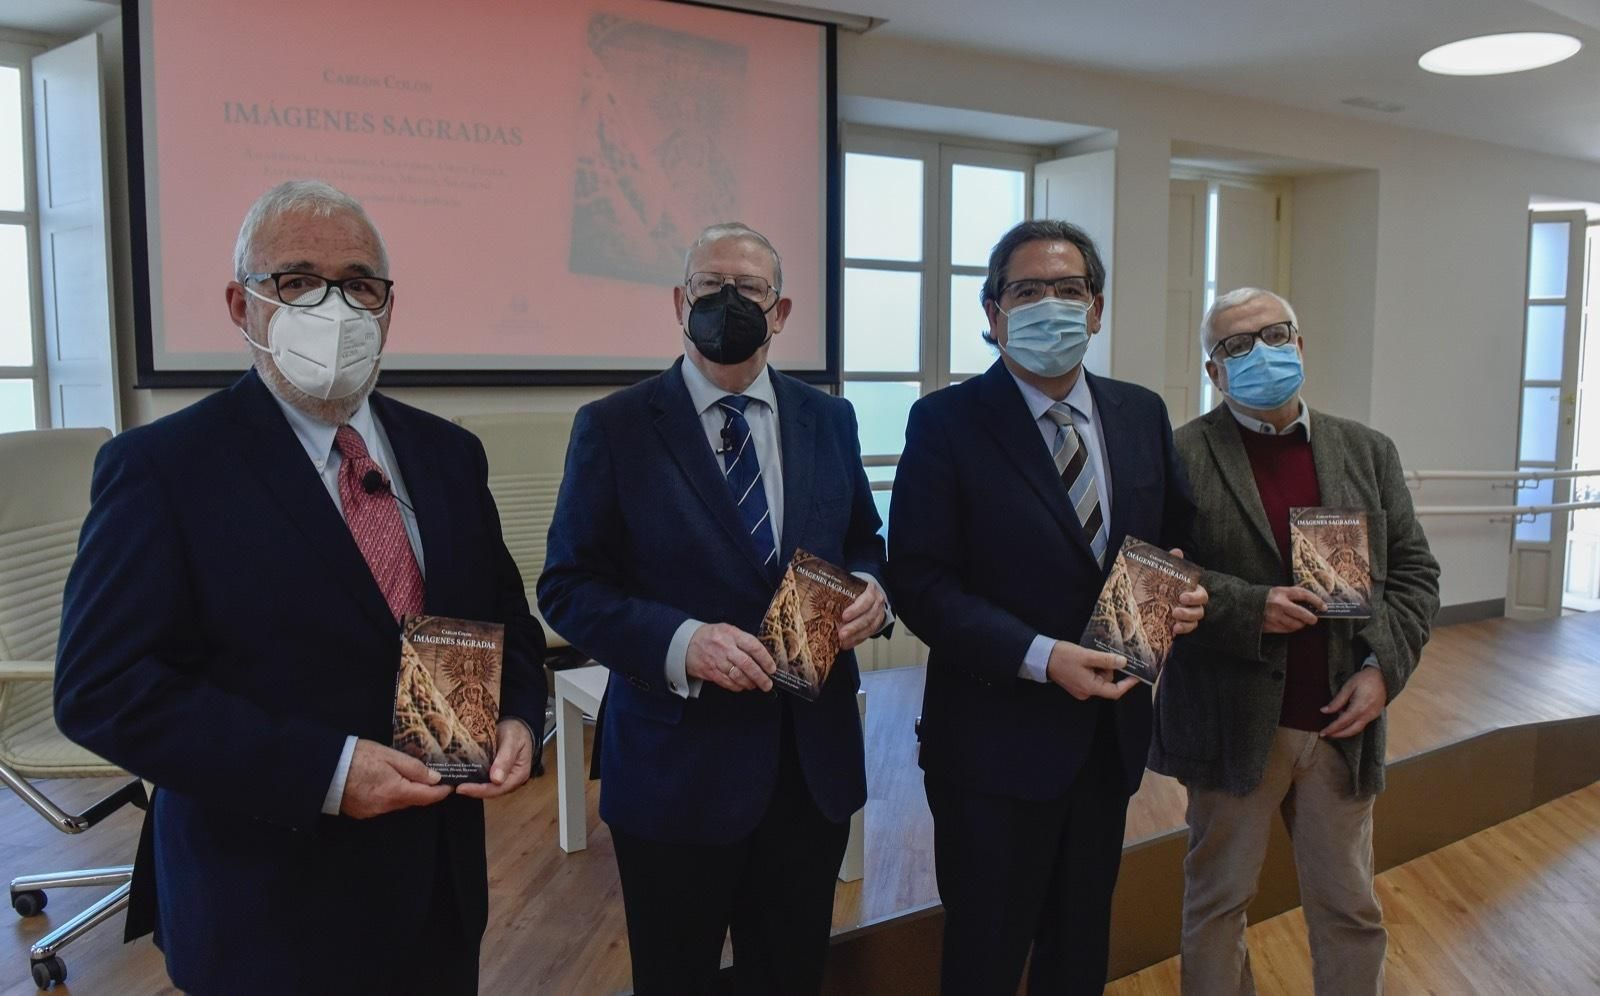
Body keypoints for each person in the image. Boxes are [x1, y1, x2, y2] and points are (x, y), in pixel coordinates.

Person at [53, 180, 546, 995]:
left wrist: (521, 713)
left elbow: (506, 620)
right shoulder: (163, 472)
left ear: (388, 308)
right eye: (295, 281)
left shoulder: (449, 456)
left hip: (438, 895)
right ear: (241, 306)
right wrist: (325, 771)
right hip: (267, 906)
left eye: (358, 284)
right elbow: (104, 688)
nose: (335, 307)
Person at [538, 222, 890, 995]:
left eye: (751, 291)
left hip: (810, 770)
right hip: (675, 777)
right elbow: (566, 587)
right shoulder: (614, 427)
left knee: (791, 973)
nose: (729, 304)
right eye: (710, 288)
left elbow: (864, 535)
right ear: (679, 301)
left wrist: (873, 589)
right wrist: (681, 642)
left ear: (783, 310)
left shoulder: (828, 419)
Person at [888, 219, 1207, 994]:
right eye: (1028, 291)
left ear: (1097, 309)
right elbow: (921, 582)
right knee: (986, 956)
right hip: (992, 750)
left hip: (1107, 744)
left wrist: (1184, 593)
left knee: (1079, 950)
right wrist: (1041, 656)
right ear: (992, 312)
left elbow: (1175, 540)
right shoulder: (946, 422)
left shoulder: (1140, 413)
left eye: (1069, 290)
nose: (1051, 306)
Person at [1150, 287, 1440, 994]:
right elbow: (1153, 581)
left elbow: (1414, 575)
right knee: (1217, 905)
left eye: (1274, 336)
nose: (1261, 354)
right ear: (1215, 373)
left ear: (1300, 346)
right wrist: (1249, 607)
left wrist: (1382, 671)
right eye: (1236, 346)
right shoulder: (1178, 456)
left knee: (1349, 908)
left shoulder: (1366, 452)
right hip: (1232, 721)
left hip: (1342, 718)